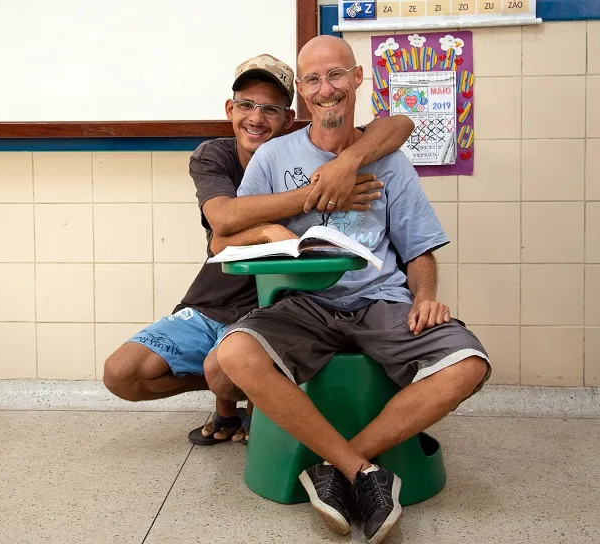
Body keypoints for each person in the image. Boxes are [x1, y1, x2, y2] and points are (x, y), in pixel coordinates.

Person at [210, 37, 491, 543]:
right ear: (303, 92)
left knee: (469, 363)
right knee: (234, 355)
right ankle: (363, 471)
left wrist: (425, 296)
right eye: (312, 80)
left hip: (381, 300)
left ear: (357, 79)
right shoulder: (273, 157)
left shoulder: (389, 161)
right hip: (304, 304)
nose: (325, 90)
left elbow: (420, 248)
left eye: (335, 75)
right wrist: (277, 230)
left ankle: (338, 467)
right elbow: (224, 233)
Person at [102, 53, 415, 446]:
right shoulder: (215, 155)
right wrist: (314, 198)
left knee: (231, 364)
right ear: (230, 109)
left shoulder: (307, 150)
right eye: (247, 105)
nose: (256, 118)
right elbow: (224, 223)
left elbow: (400, 123)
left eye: (271, 109)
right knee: (122, 373)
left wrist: (345, 164)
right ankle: (248, 394)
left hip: (280, 300)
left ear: (289, 119)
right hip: (216, 297)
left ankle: (247, 398)